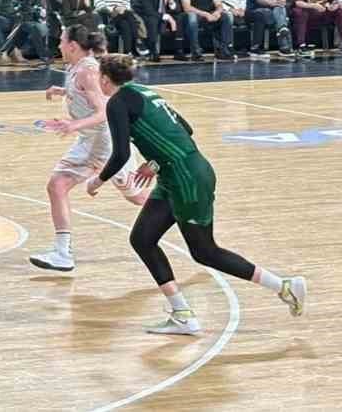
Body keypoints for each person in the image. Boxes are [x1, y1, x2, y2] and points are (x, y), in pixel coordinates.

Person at [87, 55, 307, 335]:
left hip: (187, 179)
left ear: (105, 79)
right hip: (175, 175)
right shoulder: (144, 92)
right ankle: (182, 314)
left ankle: (284, 286)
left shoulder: (117, 102)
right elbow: (186, 129)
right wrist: (155, 163)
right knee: (142, 239)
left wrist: (97, 181)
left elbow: (120, 154)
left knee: (205, 251)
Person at [30, 27, 149, 272]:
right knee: (58, 186)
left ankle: (180, 211)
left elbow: (105, 111)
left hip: (104, 142)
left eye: (62, 41)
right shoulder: (76, 67)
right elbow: (84, 93)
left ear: (73, 45)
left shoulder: (88, 70)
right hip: (91, 139)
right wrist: (63, 92)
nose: (59, 45)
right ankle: (62, 253)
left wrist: (73, 125)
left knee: (136, 197)